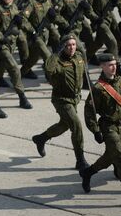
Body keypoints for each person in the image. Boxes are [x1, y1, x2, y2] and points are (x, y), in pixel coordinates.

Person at [81, 53, 121, 210]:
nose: (113, 67)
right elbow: (89, 111)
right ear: (102, 66)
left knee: (110, 157)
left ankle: (88, 172)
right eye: (109, 65)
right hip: (108, 127)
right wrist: (95, 130)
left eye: (115, 64)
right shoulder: (98, 88)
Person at [35, 34, 89, 171]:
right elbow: (48, 69)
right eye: (68, 45)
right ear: (63, 47)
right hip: (61, 99)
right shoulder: (57, 60)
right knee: (76, 126)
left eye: (73, 44)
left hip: (75, 99)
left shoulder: (79, 56)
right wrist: (56, 53)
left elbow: (84, 73)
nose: (71, 47)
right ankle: (80, 160)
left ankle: (42, 138)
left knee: (64, 125)